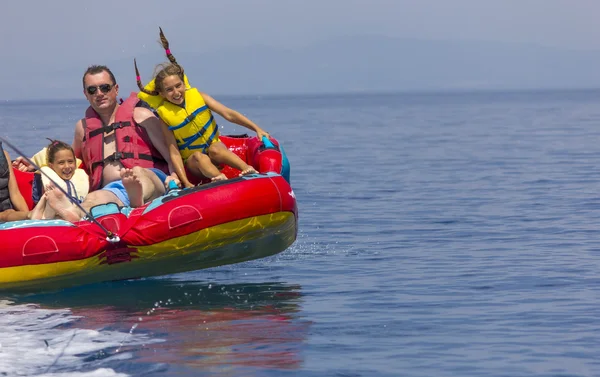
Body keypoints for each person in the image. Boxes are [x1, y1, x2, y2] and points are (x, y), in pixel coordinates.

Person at [17, 65, 181, 222]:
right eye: (92, 90)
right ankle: (72, 212)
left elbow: (171, 154)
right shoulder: (83, 128)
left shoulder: (141, 116)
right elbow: (69, 158)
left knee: (138, 173)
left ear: (116, 89)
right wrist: (35, 164)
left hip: (153, 179)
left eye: (105, 88)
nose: (99, 93)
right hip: (114, 190)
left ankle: (136, 198)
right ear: (85, 94)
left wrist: (175, 176)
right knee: (93, 198)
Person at [134, 28, 270, 187]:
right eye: (169, 90)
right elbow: (174, 152)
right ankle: (220, 179)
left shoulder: (199, 96)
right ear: (162, 94)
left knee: (215, 149)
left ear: (184, 84)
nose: (176, 92)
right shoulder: (165, 116)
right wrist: (186, 183)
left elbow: (228, 114)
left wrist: (257, 129)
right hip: (195, 163)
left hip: (216, 150)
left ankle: (247, 169)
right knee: (199, 156)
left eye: (178, 86)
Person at [29, 139, 89, 220]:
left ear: (75, 163)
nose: (67, 166)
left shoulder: (81, 176)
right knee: (50, 194)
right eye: (61, 163)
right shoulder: (48, 178)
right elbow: (38, 200)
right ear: (51, 166)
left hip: (76, 209)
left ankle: (69, 212)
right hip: (52, 212)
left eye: (70, 161)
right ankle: (59, 205)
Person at [0, 141, 29, 222]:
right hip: (5, 215)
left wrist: (28, 216)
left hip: (9, 212)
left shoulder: (4, 155)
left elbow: (15, 194)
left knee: (9, 213)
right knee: (7, 214)